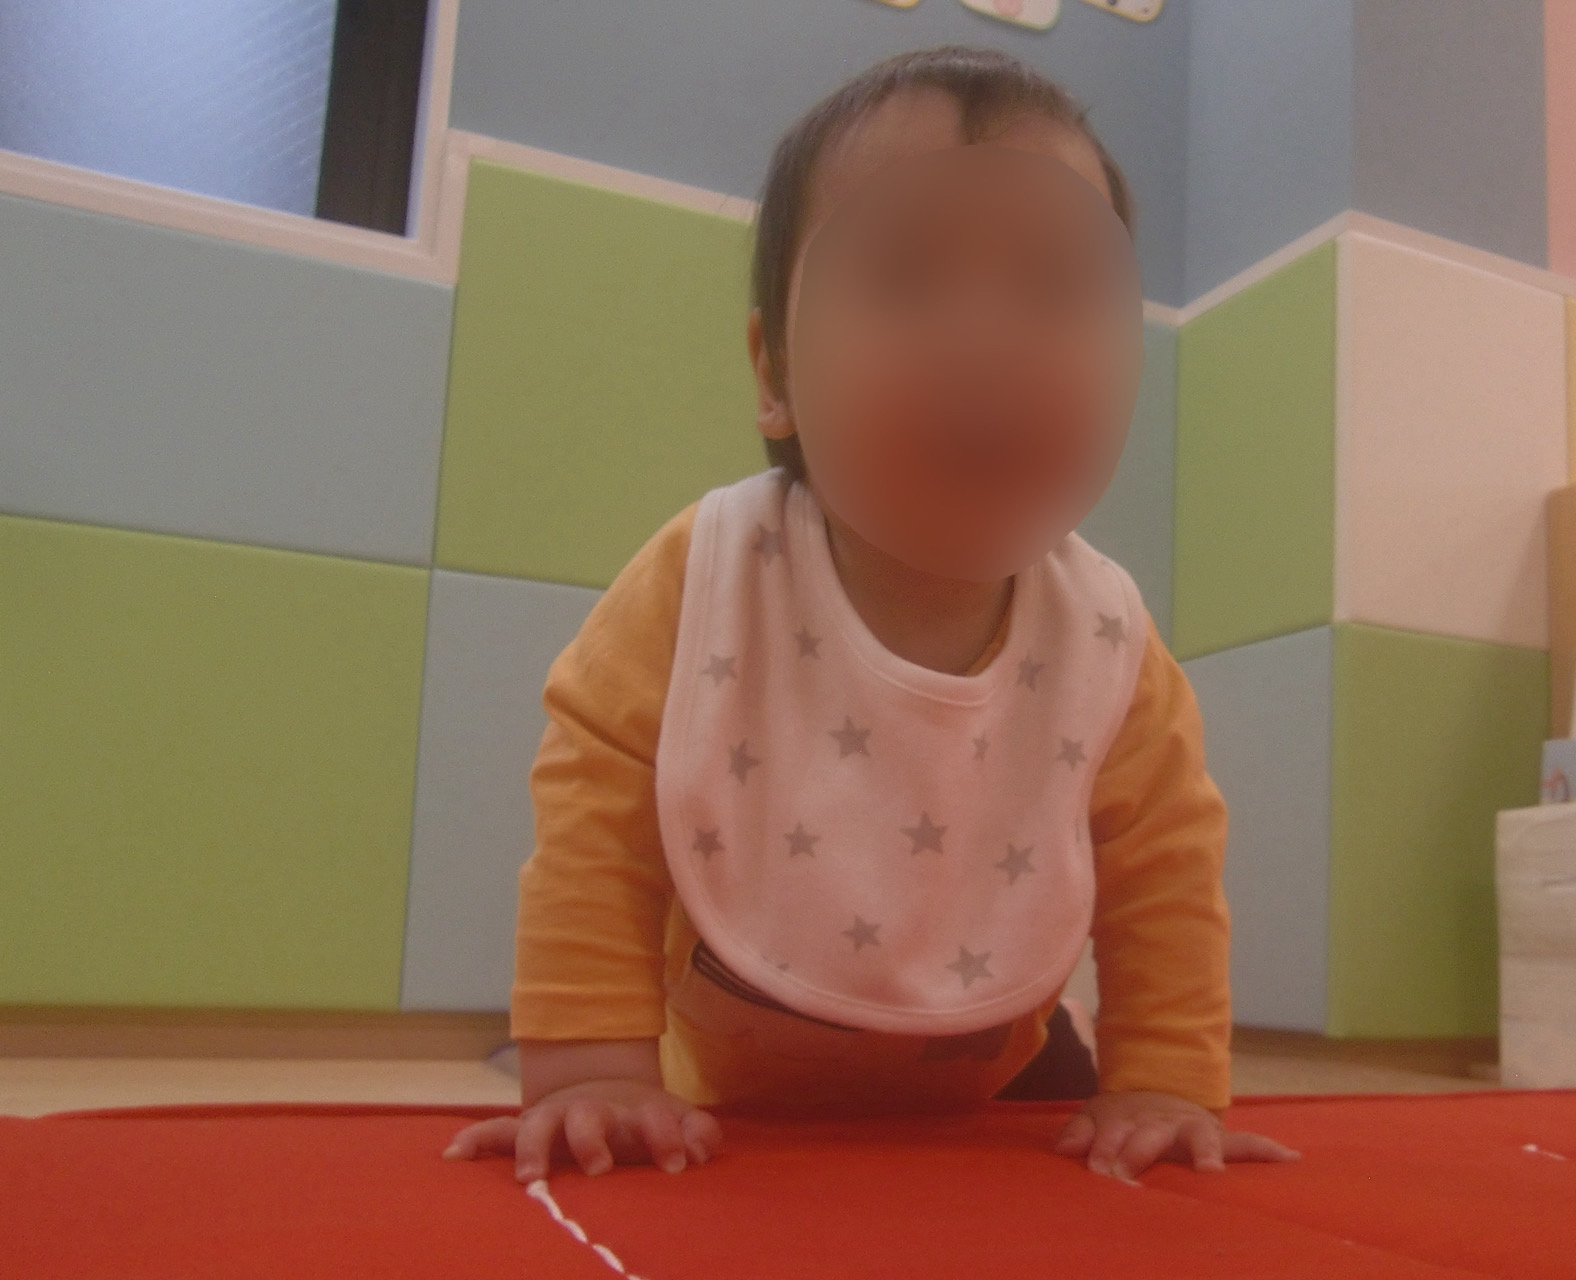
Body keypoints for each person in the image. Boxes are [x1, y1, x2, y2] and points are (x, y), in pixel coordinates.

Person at [444, 44, 1300, 1186]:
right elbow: (596, 815)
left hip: (996, 1059)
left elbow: (1164, 871)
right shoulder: (710, 581)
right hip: (729, 1080)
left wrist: (1162, 1081)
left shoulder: (1105, 641)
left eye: (1055, 289)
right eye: (905, 279)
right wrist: (591, 1063)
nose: (984, 342)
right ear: (775, 373)